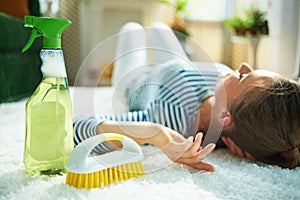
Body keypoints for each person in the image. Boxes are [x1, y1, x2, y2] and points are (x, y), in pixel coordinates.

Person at [73, 22, 300, 171]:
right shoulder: (227, 90)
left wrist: (153, 132)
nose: (243, 65)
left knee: (131, 29)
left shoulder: (172, 119)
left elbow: (74, 129)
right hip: (180, 69)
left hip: (138, 79)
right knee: (159, 28)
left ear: (225, 117)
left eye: (242, 77)